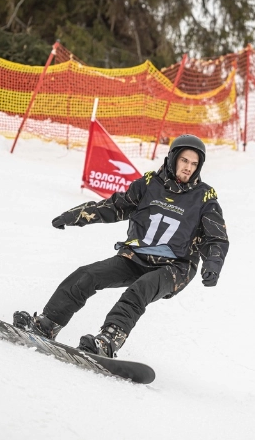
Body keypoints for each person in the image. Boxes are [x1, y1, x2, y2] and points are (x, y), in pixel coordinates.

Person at [13, 134, 229, 358]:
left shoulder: (204, 197)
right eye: (184, 161)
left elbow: (216, 237)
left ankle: (108, 341)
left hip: (175, 267)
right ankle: (47, 324)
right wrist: (76, 215)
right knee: (86, 275)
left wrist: (213, 264)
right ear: (173, 158)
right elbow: (114, 207)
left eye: (194, 164)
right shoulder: (148, 185)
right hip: (136, 256)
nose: (188, 168)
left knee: (140, 290)